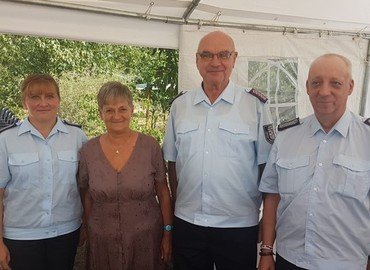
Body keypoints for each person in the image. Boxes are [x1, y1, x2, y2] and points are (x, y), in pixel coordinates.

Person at [163, 31, 274, 270]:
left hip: (238, 226)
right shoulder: (180, 106)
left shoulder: (255, 105)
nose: (215, 62)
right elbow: (172, 162)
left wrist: (266, 225)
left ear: (234, 58)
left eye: (223, 55)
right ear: (197, 60)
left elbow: (267, 168)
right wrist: (175, 207)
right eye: (207, 55)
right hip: (188, 223)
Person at [259, 53, 370, 270]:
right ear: (307, 86)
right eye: (316, 83)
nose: (324, 91)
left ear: (350, 87)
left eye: (335, 83)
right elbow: (272, 195)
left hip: (347, 264)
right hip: (289, 260)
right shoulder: (287, 137)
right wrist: (266, 250)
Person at [78, 81, 172, 269]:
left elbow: (163, 192)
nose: (116, 115)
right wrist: (88, 231)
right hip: (102, 241)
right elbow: (86, 195)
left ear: (132, 110)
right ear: (100, 113)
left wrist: (168, 233)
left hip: (146, 240)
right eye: (109, 110)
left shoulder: (150, 146)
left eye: (122, 109)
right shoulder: (88, 151)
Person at [0, 74, 87, 270]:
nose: (43, 103)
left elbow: (84, 186)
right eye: (35, 97)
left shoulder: (77, 137)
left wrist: (87, 223)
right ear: (24, 102)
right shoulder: (6, 140)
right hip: (20, 237)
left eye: (49, 96)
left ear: (58, 100)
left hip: (66, 233)